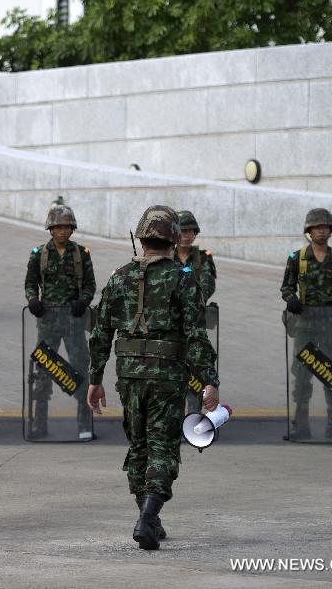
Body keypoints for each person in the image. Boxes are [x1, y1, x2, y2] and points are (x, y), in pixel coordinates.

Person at [87, 205, 219, 550]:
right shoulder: (183, 277)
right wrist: (209, 380)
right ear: (173, 239)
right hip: (167, 376)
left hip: (128, 375)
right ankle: (148, 516)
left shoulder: (119, 277)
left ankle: (150, 517)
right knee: (162, 446)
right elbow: (195, 335)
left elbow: (100, 332)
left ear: (141, 238)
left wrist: (95, 378)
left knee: (139, 446)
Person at [281, 208, 332, 441]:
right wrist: (291, 299)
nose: (321, 230)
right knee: (302, 373)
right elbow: (286, 287)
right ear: (309, 230)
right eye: (317, 227)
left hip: (331, 322)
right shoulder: (297, 258)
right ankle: (301, 425)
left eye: (325, 227)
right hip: (305, 323)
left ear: (330, 231)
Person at [24, 204, 96, 440]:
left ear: (72, 229)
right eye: (58, 227)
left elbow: (90, 285)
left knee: (81, 369)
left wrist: (83, 301)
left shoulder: (81, 254)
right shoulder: (39, 254)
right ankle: (39, 424)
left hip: (73, 320)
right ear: (51, 229)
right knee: (42, 372)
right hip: (48, 320)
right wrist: (33, 299)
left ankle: (85, 423)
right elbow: (30, 283)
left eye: (66, 227)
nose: (63, 231)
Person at [174, 210, 217, 414]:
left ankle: (192, 420)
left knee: (197, 372)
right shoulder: (166, 256)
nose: (187, 235)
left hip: (195, 322)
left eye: (191, 231)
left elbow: (207, 284)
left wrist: (194, 300)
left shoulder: (202, 258)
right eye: (183, 231)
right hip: (171, 323)